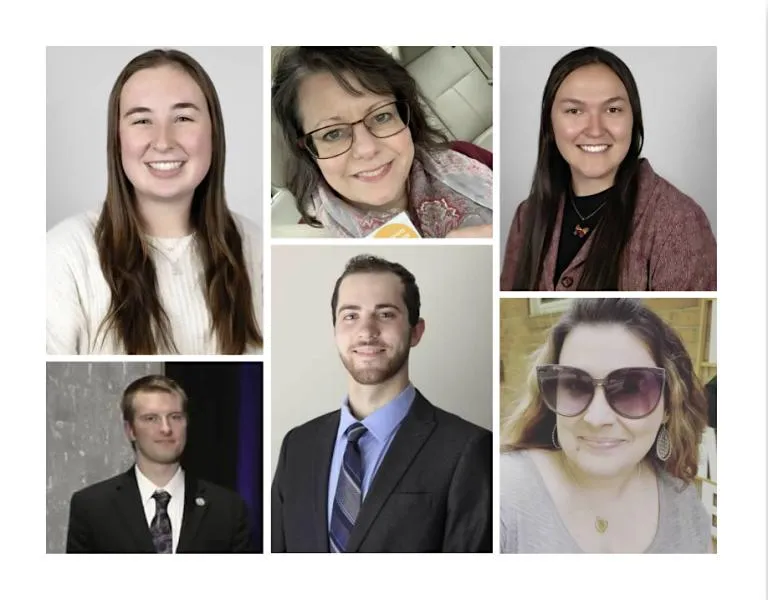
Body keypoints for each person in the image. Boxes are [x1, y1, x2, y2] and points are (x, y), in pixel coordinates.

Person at [47, 48, 263, 355]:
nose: (163, 141)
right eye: (142, 120)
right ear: (117, 138)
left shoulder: (256, 248)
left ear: (214, 133)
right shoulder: (62, 257)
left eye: (183, 117)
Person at [271, 254, 492, 552]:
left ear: (416, 331)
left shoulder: (468, 449)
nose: (366, 331)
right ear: (335, 331)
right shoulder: (297, 446)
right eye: (351, 316)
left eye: (385, 314)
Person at [499, 298, 713, 553]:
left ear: (669, 406)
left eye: (631, 388)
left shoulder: (685, 505)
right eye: (575, 385)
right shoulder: (503, 494)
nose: (596, 418)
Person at [501, 46, 716, 291]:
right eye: (574, 110)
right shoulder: (527, 215)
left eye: (612, 110)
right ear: (550, 124)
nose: (595, 129)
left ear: (633, 120)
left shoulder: (678, 223)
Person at [271, 46, 493, 238]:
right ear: (308, 149)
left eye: (381, 116)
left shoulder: (466, 157)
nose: (367, 149)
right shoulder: (304, 248)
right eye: (333, 134)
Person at [66, 374, 253, 553]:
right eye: (151, 418)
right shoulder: (92, 507)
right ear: (130, 430)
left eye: (175, 417)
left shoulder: (228, 509)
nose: (165, 428)